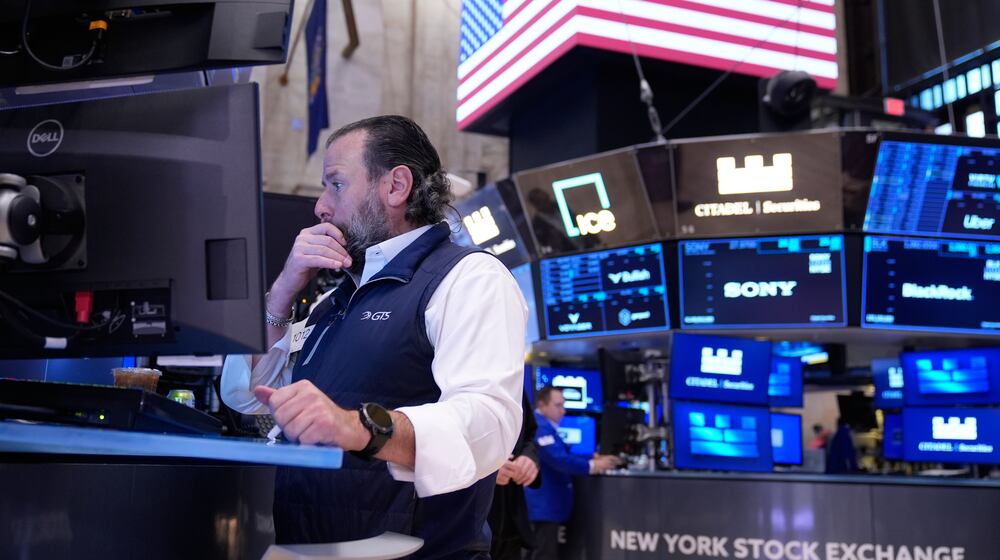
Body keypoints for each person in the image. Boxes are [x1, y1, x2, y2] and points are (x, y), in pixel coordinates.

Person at [221, 115, 527, 558]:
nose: (320, 206)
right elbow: (244, 394)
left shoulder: (469, 277)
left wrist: (361, 426)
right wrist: (283, 290)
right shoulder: (336, 300)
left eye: (336, 184)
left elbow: (487, 425)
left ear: (396, 186)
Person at [524, 386, 620, 560]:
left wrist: (591, 456)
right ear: (542, 405)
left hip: (548, 508)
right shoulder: (539, 427)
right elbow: (558, 459)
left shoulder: (545, 426)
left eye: (563, 405)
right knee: (542, 554)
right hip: (544, 507)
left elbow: (563, 454)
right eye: (558, 405)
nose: (563, 410)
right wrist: (592, 465)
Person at [488, 392, 541, 560]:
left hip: (511, 523)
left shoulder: (515, 382)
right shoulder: (446, 373)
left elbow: (530, 435)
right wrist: (484, 467)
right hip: (467, 525)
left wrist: (529, 457)